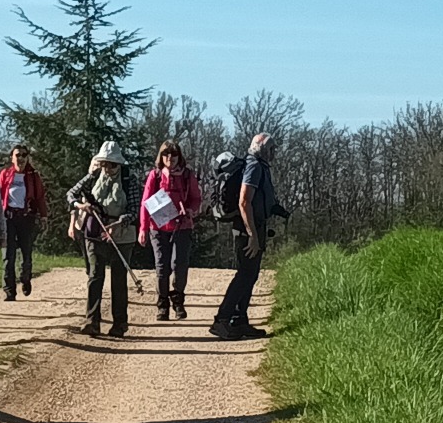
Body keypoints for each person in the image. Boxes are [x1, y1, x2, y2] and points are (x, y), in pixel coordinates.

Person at [213, 133, 288, 340]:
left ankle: (240, 321)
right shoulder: (254, 166)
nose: (274, 153)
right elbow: (244, 201)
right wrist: (252, 235)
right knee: (245, 274)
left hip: (253, 227)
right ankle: (222, 320)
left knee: (250, 274)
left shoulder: (258, 166)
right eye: (271, 149)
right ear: (262, 149)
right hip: (248, 229)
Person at [66, 141, 140, 337]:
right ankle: (92, 321)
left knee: (118, 280)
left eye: (112, 164)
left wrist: (119, 223)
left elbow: (135, 209)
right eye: (104, 163)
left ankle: (119, 324)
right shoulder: (93, 176)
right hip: (95, 232)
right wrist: (80, 206)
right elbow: (71, 194)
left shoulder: (129, 180)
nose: (108, 168)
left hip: (122, 236)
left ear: (119, 164)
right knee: (95, 276)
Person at [137, 140, 202, 321]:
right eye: (166, 154)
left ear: (179, 156)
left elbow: (196, 198)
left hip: (182, 227)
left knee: (180, 265)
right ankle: (162, 305)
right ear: (161, 156)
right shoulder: (155, 175)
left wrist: (190, 210)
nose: (170, 158)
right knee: (162, 267)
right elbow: (145, 203)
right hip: (158, 228)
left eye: (174, 154)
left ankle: (178, 301)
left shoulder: (187, 175)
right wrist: (143, 228)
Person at [0, 144, 47, 300]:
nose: (21, 158)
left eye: (24, 155)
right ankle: (9, 290)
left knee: (26, 253)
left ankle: (25, 278)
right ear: (12, 157)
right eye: (17, 155)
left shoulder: (33, 176)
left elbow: (40, 197)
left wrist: (43, 215)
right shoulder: (5, 174)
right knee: (8, 255)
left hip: (26, 218)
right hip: (8, 217)